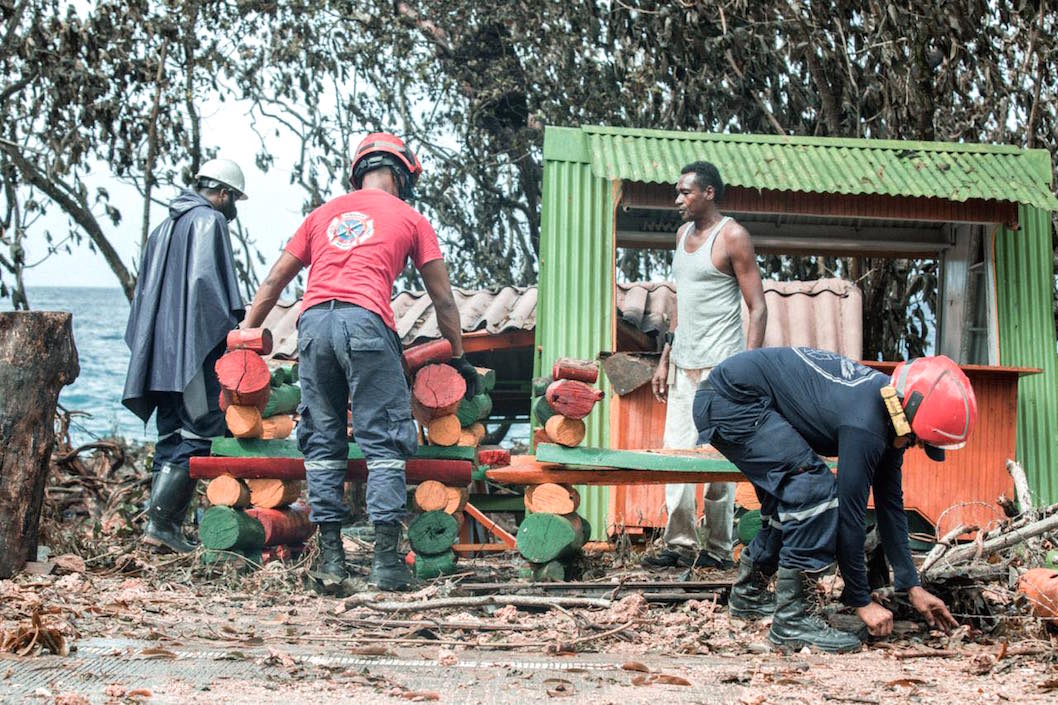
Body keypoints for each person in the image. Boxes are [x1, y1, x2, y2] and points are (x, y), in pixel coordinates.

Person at [242, 132, 476, 594]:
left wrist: (246, 337)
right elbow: (443, 299)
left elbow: (273, 281)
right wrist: (460, 355)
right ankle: (385, 563)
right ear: (404, 176)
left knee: (322, 442)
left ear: (359, 172)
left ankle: (331, 564)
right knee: (385, 442)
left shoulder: (321, 215)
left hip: (311, 325)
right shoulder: (411, 218)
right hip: (366, 324)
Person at [693, 347, 972, 652]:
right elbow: (849, 514)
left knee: (792, 501)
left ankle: (748, 595)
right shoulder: (865, 422)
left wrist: (910, 584)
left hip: (738, 398)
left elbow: (890, 505)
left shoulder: (891, 410)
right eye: (917, 439)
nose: (913, 445)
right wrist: (860, 600)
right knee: (813, 491)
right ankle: (792, 621)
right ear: (908, 412)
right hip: (730, 401)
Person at [642, 161, 767, 571]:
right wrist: (664, 359)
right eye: (678, 193)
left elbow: (758, 308)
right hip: (682, 366)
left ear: (709, 193)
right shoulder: (681, 236)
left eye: (685, 192)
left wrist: (747, 369)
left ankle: (717, 549)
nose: (678, 200)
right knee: (677, 455)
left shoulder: (733, 236)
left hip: (722, 370)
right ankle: (678, 545)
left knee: (718, 459)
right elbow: (681, 305)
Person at [123, 158, 249, 553]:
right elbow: (207, 292)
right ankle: (162, 527)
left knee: (171, 435)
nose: (234, 210)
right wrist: (229, 332)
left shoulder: (164, 227)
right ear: (223, 193)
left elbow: (145, 296)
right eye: (235, 200)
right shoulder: (207, 222)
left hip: (159, 359)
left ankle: (160, 530)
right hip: (193, 355)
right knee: (200, 434)